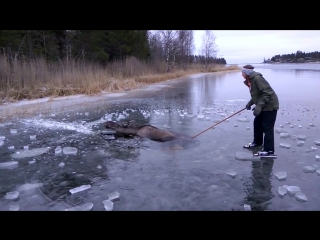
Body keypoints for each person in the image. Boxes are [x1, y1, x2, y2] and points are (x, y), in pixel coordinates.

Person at [242, 64, 279, 158]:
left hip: (270, 106)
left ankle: (269, 151)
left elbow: (268, 92)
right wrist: (250, 103)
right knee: (257, 123)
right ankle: (257, 143)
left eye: (242, 72)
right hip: (263, 105)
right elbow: (257, 95)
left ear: (247, 73)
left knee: (267, 128)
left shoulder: (257, 79)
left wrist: (259, 105)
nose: (241, 74)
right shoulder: (250, 80)